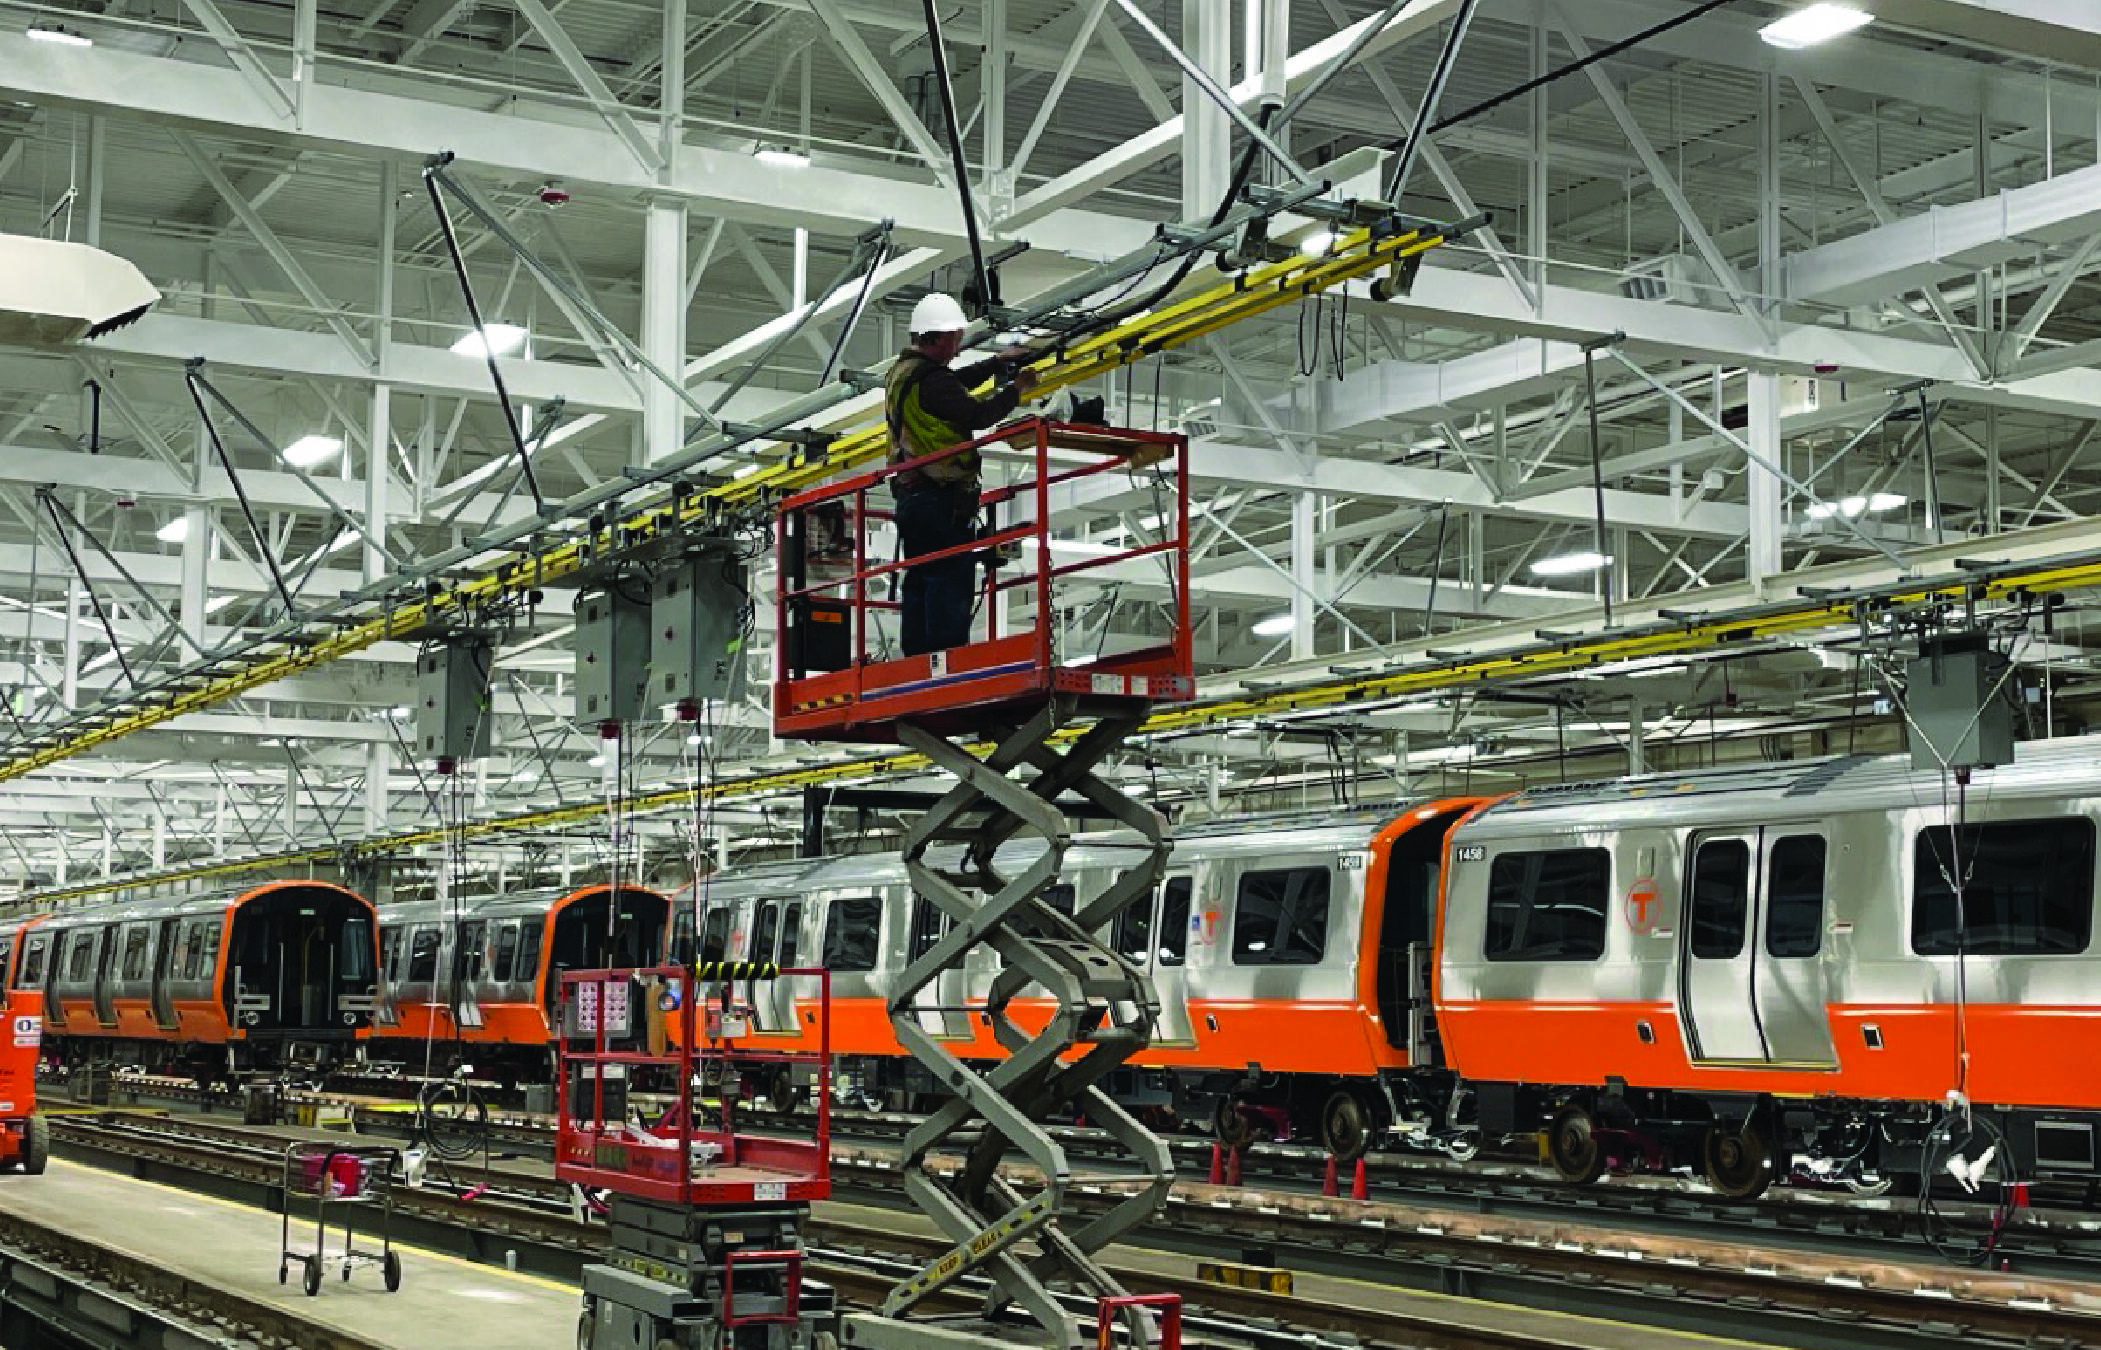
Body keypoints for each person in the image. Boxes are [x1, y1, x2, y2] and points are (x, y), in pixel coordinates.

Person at [884, 291, 1037, 657]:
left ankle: (919, 659)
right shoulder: (932, 381)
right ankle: (945, 658)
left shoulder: (905, 374)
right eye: (954, 337)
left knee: (921, 576)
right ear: (935, 338)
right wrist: (1016, 391)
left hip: (912, 496)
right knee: (949, 575)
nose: (957, 345)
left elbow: (953, 384)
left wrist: (995, 363)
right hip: (938, 496)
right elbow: (976, 415)